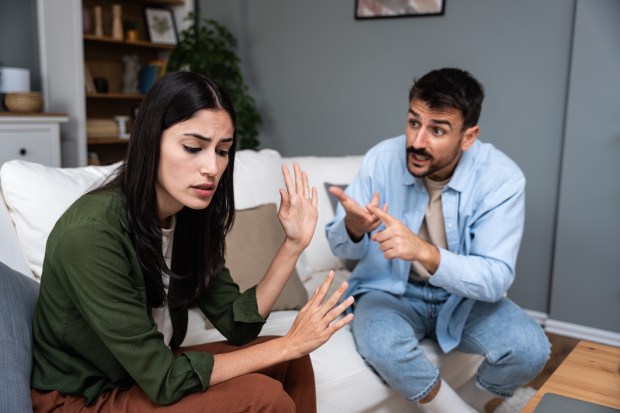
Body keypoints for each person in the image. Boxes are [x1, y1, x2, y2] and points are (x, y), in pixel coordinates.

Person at [30, 71, 354, 413]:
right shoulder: (91, 233)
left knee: (293, 363)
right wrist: (288, 344)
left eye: (223, 151)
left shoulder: (190, 216)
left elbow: (237, 324)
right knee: (266, 395)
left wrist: (293, 245)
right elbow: (164, 378)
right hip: (85, 397)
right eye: (193, 148)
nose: (212, 168)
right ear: (151, 140)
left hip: (144, 374)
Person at [326, 68, 550, 413]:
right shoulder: (382, 159)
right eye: (414, 122)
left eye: (437, 130)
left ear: (468, 136)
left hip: (463, 298)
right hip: (390, 290)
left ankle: (468, 404)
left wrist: (425, 253)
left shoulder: (501, 179)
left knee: (530, 349)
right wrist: (354, 227)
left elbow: (494, 280)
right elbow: (341, 247)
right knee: (382, 343)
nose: (417, 141)